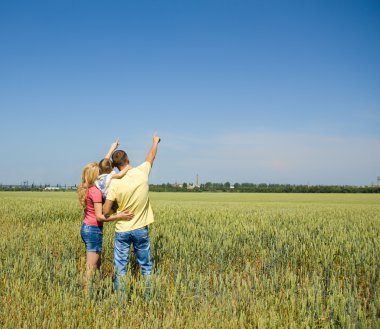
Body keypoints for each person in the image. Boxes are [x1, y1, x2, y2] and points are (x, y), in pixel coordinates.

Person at [103, 133, 161, 296]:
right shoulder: (142, 172)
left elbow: (106, 211)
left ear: (115, 166)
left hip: (122, 229)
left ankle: (120, 302)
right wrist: (155, 142)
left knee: (121, 268)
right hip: (141, 229)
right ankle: (149, 299)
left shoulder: (114, 182)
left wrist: (117, 212)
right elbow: (151, 156)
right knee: (146, 267)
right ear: (127, 160)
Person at [78, 162, 134, 292]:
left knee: (96, 264)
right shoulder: (96, 192)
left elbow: (103, 164)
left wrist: (111, 148)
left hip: (86, 227)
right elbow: (99, 216)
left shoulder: (88, 188)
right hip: (93, 230)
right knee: (91, 267)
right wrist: (119, 216)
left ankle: (94, 291)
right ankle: (87, 297)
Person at [96, 138, 132, 208]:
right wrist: (128, 167)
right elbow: (119, 174)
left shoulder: (99, 176)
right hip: (110, 201)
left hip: (102, 200)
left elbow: (104, 163)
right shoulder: (109, 177)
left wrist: (112, 149)